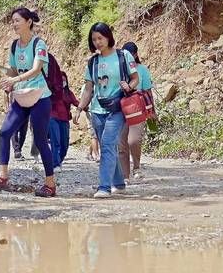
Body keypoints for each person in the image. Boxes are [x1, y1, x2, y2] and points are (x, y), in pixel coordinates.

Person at [0, 7, 56, 197]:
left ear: (28, 22)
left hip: (40, 97)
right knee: (5, 132)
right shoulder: (14, 46)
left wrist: (15, 80)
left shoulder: (39, 44)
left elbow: (36, 70)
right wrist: (2, 72)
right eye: (12, 21)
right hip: (21, 96)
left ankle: (50, 184)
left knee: (41, 141)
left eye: (17, 20)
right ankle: (3, 176)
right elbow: (13, 71)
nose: (14, 24)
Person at [73, 22, 139, 198]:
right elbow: (88, 89)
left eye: (100, 38)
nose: (97, 42)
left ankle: (104, 187)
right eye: (94, 39)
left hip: (118, 108)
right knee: (106, 146)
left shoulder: (123, 56)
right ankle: (118, 182)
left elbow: (135, 78)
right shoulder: (93, 62)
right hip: (97, 109)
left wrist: (129, 86)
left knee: (108, 144)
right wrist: (80, 108)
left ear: (108, 37)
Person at [119, 41, 153, 181]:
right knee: (121, 143)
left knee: (133, 140)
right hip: (120, 108)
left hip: (137, 108)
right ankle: (124, 175)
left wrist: (151, 110)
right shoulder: (118, 69)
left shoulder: (142, 70)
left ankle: (137, 167)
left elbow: (148, 91)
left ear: (135, 54)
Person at [48, 71, 79, 170]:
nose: (63, 81)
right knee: (55, 141)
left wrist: (84, 107)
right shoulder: (50, 92)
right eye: (60, 80)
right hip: (53, 118)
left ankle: (59, 160)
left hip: (65, 120)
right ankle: (55, 164)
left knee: (64, 144)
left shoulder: (69, 93)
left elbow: (76, 102)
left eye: (64, 80)